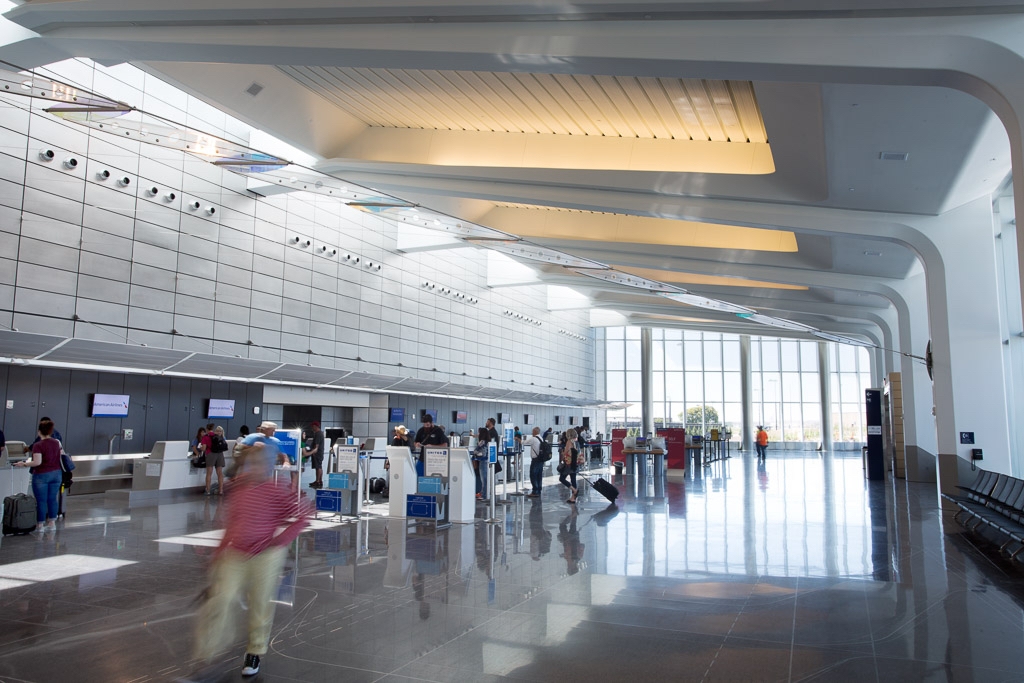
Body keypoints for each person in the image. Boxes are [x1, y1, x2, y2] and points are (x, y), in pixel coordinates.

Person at [193, 427, 312, 678]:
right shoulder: (239, 489)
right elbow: (230, 525)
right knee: (221, 600)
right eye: (251, 464)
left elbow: (305, 514)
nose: (254, 469)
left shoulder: (277, 490)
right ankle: (206, 653)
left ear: (268, 467)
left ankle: (255, 650)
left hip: (265, 555)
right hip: (236, 554)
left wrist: (280, 541)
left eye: (259, 464)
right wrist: (216, 556)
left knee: (259, 604)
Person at [15, 418, 62, 531]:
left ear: (39, 431)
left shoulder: (38, 445)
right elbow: (61, 456)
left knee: (41, 500)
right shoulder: (57, 443)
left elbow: (37, 462)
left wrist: (24, 464)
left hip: (42, 475)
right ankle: (52, 524)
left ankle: (40, 525)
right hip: (56, 474)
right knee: (52, 499)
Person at [413, 413, 448, 477]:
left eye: (428, 425)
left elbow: (445, 445)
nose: (426, 427)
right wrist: (417, 444)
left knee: (432, 478)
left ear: (432, 423)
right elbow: (415, 442)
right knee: (418, 474)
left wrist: (432, 447)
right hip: (423, 458)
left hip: (435, 460)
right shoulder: (421, 430)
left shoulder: (438, 431)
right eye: (425, 425)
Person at [203, 424, 228, 495]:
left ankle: (208, 490)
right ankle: (221, 491)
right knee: (220, 473)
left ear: (207, 429)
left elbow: (204, 448)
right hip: (220, 454)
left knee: (209, 473)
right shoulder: (221, 436)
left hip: (210, 454)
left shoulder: (207, 436)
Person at [559, 428, 582, 504]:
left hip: (569, 463)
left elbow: (566, 452)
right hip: (575, 463)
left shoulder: (569, 441)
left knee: (562, 478)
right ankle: (573, 498)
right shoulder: (576, 442)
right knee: (573, 479)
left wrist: (562, 451)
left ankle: (574, 491)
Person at [471, 427, 490, 499]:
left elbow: (476, 451)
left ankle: (484, 495)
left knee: (484, 479)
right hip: (487, 462)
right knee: (485, 479)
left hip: (483, 461)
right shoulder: (488, 441)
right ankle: (484, 493)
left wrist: (476, 453)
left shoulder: (482, 442)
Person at [524, 426, 544, 497]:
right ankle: (539, 490)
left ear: (535, 432)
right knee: (539, 475)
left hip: (535, 460)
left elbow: (524, 442)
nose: (532, 432)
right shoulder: (541, 438)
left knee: (533, 475)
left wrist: (518, 440)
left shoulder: (533, 438)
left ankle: (535, 491)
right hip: (541, 460)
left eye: (532, 431)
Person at [304, 421, 325, 489]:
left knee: (317, 467)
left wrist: (313, 452)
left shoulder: (318, 434)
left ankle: (317, 480)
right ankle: (320, 480)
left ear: (315, 426)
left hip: (317, 453)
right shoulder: (320, 433)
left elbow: (316, 445)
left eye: (312, 427)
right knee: (319, 466)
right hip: (320, 453)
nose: (312, 428)